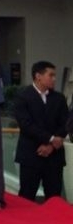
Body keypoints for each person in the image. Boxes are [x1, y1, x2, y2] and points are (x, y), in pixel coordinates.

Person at [14, 61, 68, 202]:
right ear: (38, 76)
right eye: (51, 75)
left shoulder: (59, 98)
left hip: (54, 156)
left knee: (54, 197)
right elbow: (26, 125)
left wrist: (51, 145)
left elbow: (66, 123)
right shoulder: (22, 96)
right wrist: (50, 139)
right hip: (31, 154)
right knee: (26, 197)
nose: (54, 79)